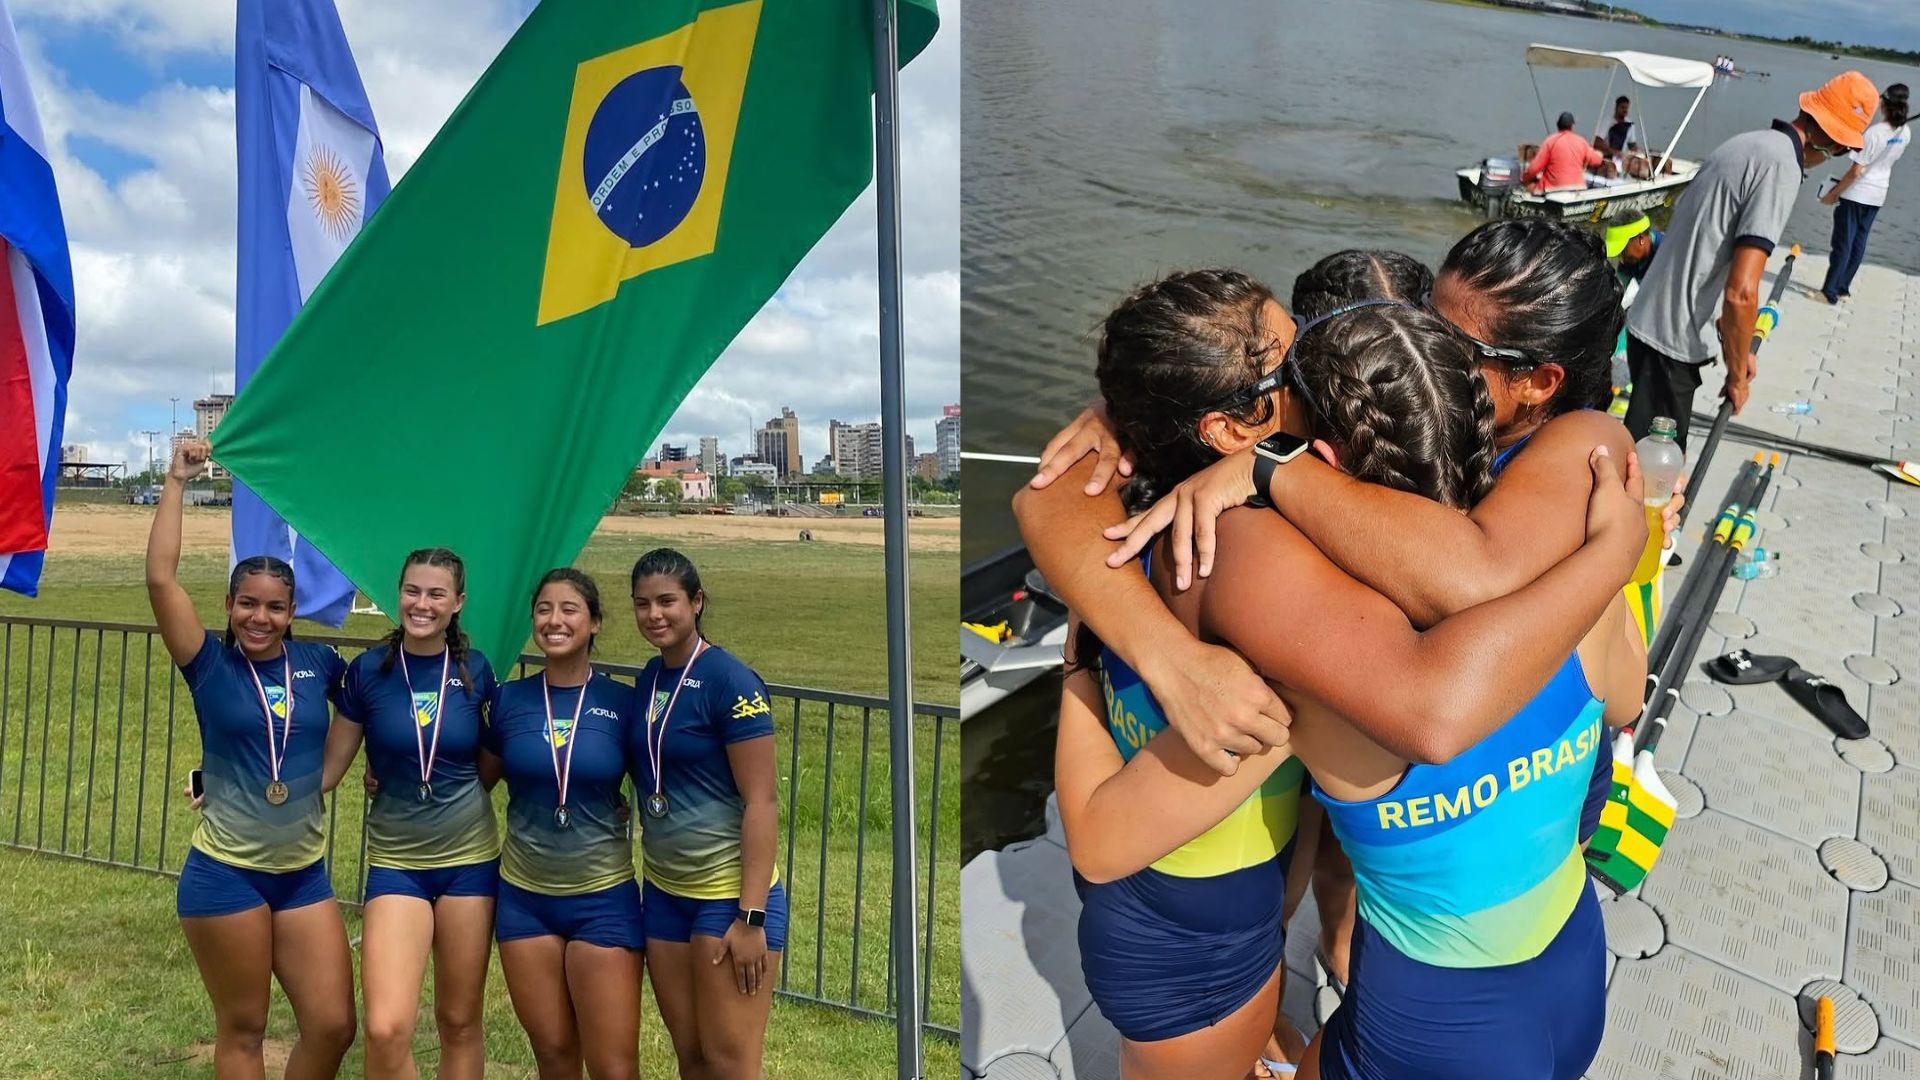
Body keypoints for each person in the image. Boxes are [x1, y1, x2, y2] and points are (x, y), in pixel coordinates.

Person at [1055, 271, 1646, 1079]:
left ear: (1325, 458)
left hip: (1414, 1020)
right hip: (1572, 971)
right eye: (1287, 363)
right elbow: (1622, 695)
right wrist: (1613, 559)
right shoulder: (1571, 571)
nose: (1301, 371)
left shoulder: (1300, 642)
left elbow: (1103, 835)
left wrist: (1083, 661)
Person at [149, 437, 356, 1079]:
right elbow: (160, 579)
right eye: (247, 603)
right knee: (243, 1028)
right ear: (229, 606)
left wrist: (331, 775)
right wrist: (178, 481)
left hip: (303, 874)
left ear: (293, 611)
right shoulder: (208, 665)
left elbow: (369, 709)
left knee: (332, 1026)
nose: (259, 617)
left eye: (273, 606)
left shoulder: (322, 664)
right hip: (225, 874)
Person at [1623, 71, 1878, 447]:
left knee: (1640, 465)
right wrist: (1737, 378)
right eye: (1842, 149)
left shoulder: (1749, 144)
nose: (1838, 157)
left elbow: (1712, 255)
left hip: (1649, 322)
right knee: (1651, 481)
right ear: (1833, 141)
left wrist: (1737, 351)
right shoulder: (1782, 168)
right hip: (1671, 344)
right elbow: (1741, 293)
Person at [330, 548, 500, 1079]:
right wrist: (228, 778)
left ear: (458, 602)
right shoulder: (367, 673)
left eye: (435, 594)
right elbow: (326, 770)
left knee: (459, 1022)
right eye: (412, 591)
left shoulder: (477, 670)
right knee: (385, 1027)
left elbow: (490, 761)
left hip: (470, 864)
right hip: (397, 864)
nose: (421, 604)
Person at [627, 548, 786, 1080]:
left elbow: (762, 802)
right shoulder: (650, 677)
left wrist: (751, 916)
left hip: (728, 900)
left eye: (668, 601)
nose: (655, 615)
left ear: (696, 602)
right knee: (692, 1060)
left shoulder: (731, 681)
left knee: (731, 1064)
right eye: (643, 604)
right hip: (667, 896)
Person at [488, 569, 643, 1079]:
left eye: (569, 609)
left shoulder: (625, 703)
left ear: (595, 622)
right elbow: (471, 780)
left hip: (602, 898)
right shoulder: (508, 702)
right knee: (554, 1057)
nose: (554, 620)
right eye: (544, 609)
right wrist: (392, 777)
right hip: (524, 901)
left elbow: (666, 773)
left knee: (613, 1067)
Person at [1819, 83, 1910, 304]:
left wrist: (1833, 194)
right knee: (1859, 241)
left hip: (1857, 194)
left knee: (1843, 242)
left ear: (1884, 103)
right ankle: (1842, 289)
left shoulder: (1875, 133)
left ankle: (1828, 292)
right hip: (1878, 194)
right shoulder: (1905, 132)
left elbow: (1856, 171)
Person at [1522, 111, 1604, 193]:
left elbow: (1534, 168)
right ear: (1572, 126)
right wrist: (1599, 154)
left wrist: (1525, 178)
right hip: (1578, 188)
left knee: (1529, 187)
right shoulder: (1581, 141)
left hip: (1553, 189)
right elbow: (1597, 160)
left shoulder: (1550, 141)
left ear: (1558, 125)